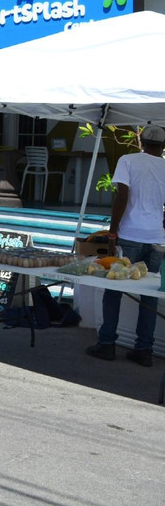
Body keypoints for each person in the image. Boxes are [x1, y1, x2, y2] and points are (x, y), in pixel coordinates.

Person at [87, 124, 165, 366]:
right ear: (162, 146)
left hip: (130, 234)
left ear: (140, 140)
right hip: (157, 238)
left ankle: (107, 343)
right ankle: (144, 350)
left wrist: (112, 232)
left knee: (114, 290)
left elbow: (122, 195)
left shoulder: (128, 160)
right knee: (149, 295)